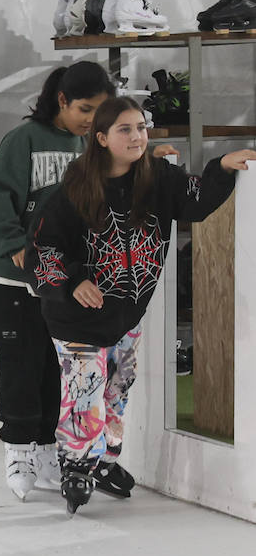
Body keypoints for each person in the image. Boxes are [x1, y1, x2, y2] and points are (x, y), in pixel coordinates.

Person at [29, 95, 254, 513]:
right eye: (125, 129)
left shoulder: (157, 180)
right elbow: (44, 247)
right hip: (76, 317)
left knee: (118, 389)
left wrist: (221, 166)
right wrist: (74, 279)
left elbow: (197, 199)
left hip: (127, 312)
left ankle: (106, 460)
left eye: (141, 128)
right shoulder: (74, 190)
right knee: (85, 392)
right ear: (101, 138)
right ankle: (76, 465)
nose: (137, 137)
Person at [0, 62, 115, 501]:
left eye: (100, 112)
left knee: (59, 370)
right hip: (15, 282)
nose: (91, 120)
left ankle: (51, 449)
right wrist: (15, 244)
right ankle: (18, 449)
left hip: (64, 284)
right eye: (85, 109)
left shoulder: (92, 147)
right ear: (62, 100)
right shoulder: (24, 141)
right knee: (19, 366)